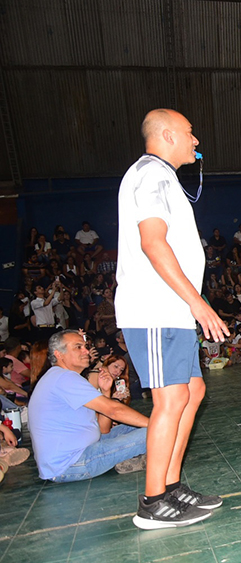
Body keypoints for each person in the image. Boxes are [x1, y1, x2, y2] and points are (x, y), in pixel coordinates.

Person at [116, 109, 228, 529]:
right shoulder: (151, 175)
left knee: (193, 391)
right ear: (166, 134)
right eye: (189, 132)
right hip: (155, 306)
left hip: (172, 309)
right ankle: (153, 501)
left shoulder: (163, 178)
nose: (196, 141)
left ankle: (172, 483)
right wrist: (198, 303)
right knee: (171, 399)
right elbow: (152, 243)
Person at [29, 330, 148, 482]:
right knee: (153, 431)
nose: (86, 351)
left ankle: (136, 457)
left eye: (85, 346)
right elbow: (114, 410)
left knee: (134, 428)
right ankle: (142, 455)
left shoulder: (61, 376)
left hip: (86, 448)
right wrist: (156, 425)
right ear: (59, 354)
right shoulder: (63, 378)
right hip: (70, 464)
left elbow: (103, 429)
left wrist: (105, 392)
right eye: (78, 347)